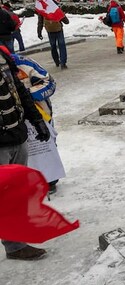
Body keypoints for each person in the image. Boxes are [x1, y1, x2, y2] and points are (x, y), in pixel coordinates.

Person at [0, 44, 51, 260]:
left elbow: (18, 89)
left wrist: (36, 119)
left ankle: (16, 241)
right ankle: (14, 244)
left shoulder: (1, 54)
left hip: (16, 135)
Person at [13, 53, 61, 193]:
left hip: (39, 114)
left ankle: (50, 179)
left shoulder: (23, 63)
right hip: (12, 122)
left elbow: (49, 82)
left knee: (44, 145)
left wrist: (25, 95)